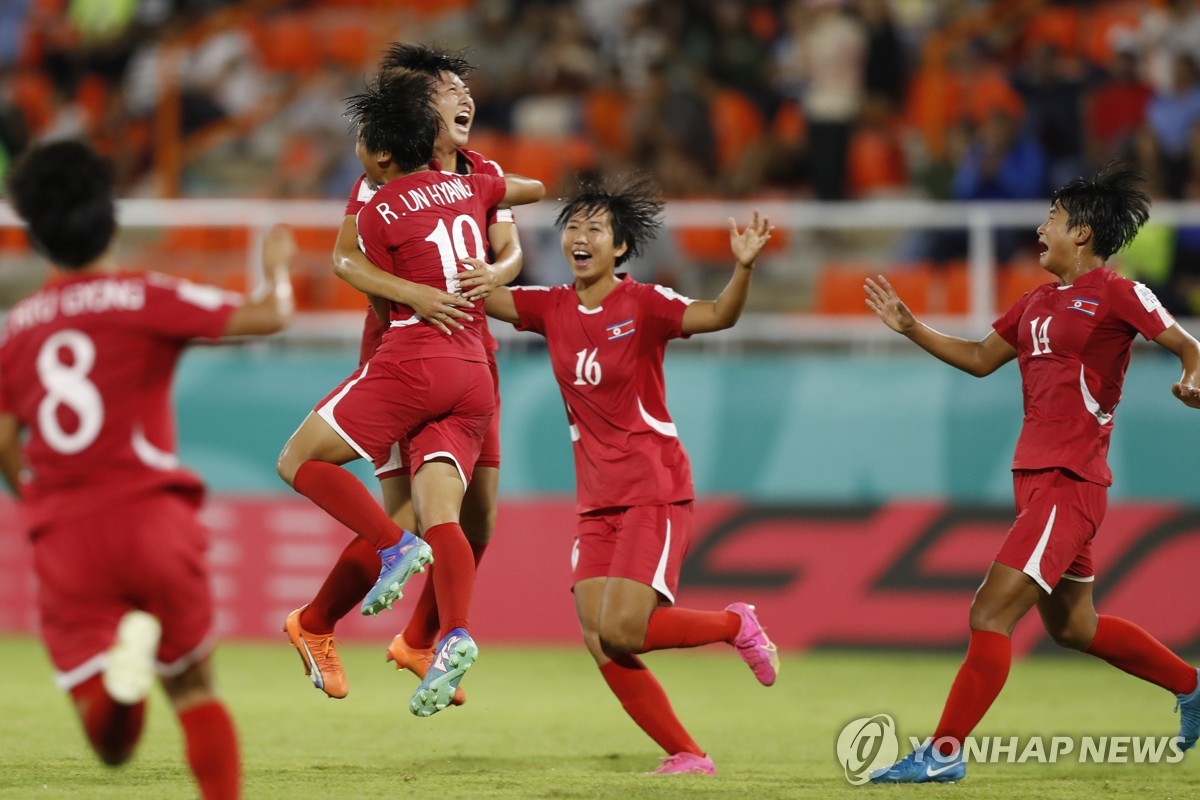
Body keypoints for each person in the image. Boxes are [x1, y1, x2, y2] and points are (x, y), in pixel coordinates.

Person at [864, 162, 1200, 784]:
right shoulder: (1037, 302)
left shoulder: (1118, 292)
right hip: (1037, 479)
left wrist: (1192, 376)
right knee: (1076, 627)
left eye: (1052, 217)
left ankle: (942, 755)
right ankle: (1191, 686)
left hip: (1071, 480)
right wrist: (913, 328)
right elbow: (977, 357)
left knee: (989, 614)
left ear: (1083, 233)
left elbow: (1187, 343)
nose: (1040, 227)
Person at [0, 139, 296, 799]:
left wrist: (37, 499)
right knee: (194, 690)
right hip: (152, 519)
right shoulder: (142, 296)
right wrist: (274, 266)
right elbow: (270, 315)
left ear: (39, 240)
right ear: (111, 221)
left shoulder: (18, 329)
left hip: (66, 535)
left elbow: (3, 438)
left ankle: (120, 679)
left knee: (111, 747)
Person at [482, 174, 779, 775]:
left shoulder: (645, 303)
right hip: (596, 500)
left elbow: (719, 315)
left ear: (620, 247)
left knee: (622, 631)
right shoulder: (552, 306)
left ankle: (735, 623)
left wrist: (742, 268)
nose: (580, 236)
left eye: (595, 228)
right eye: (572, 226)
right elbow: (479, 294)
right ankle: (688, 754)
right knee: (598, 636)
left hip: (653, 486)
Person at [275, 68, 544, 717]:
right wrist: (413, 294)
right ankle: (317, 621)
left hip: (474, 348)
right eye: (448, 90)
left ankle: (425, 638)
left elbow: (509, 247)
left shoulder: (478, 171)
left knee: (475, 518)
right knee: (407, 517)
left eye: (464, 87)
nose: (464, 97)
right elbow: (347, 260)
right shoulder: (383, 172)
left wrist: (494, 273)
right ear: (424, 112)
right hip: (408, 346)